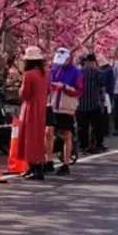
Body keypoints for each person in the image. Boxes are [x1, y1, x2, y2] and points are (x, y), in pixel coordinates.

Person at [46, 48, 82, 176]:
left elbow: (79, 90)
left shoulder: (76, 72)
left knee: (67, 135)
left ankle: (65, 164)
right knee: (48, 133)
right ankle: (49, 161)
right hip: (52, 105)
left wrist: (65, 87)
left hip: (67, 107)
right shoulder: (53, 70)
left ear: (69, 59)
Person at [16, 46, 49, 180]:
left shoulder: (28, 75)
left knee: (28, 136)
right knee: (38, 136)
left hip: (30, 108)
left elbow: (24, 94)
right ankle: (37, 166)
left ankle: (33, 167)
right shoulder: (46, 73)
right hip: (42, 106)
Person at [76, 53, 106, 154]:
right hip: (94, 104)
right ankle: (98, 144)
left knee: (82, 127)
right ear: (93, 62)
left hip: (81, 105)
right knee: (97, 126)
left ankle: (82, 146)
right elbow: (102, 85)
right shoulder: (97, 73)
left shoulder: (79, 72)